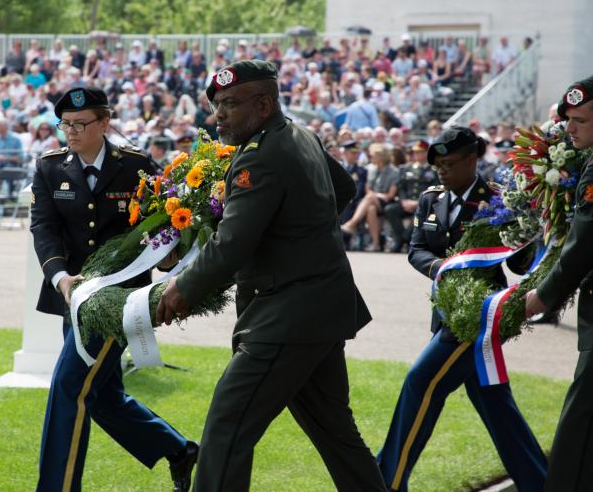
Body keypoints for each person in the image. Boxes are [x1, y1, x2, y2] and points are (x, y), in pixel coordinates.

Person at [156, 60, 387, 491]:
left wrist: (182, 287)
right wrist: (299, 235)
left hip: (286, 316)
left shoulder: (260, 158)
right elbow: (343, 190)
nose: (219, 114)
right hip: (319, 308)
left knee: (228, 426)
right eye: (216, 104)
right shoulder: (299, 134)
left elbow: (232, 244)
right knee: (336, 433)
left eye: (229, 103)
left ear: (263, 104)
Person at [30, 86, 197, 492]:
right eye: (64, 124)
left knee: (70, 387)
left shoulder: (136, 165)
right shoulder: (51, 167)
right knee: (101, 395)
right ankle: (179, 450)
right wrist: (59, 277)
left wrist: (171, 258)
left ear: (105, 123)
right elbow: (44, 228)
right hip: (72, 296)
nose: (70, 131)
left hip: (118, 301)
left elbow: (162, 222)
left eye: (80, 124)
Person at [377, 126, 547, 492]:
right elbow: (417, 250)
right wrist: (438, 267)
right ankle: (541, 481)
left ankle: (385, 481)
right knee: (493, 403)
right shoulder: (431, 199)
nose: (441, 171)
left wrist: (526, 233)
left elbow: (519, 267)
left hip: (479, 320)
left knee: (419, 383)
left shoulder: (500, 202)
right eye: (437, 165)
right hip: (446, 315)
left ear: (473, 159)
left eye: (450, 164)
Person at [524, 74, 593, 492]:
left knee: (581, 428)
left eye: (580, 120)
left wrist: (541, 297)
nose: (571, 128)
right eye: (568, 120)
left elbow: (585, 245)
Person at [341, 144, 400, 252]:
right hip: (373, 201)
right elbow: (367, 188)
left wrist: (375, 195)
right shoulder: (371, 169)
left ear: (380, 157)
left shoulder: (394, 171)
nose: (370, 158)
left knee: (370, 198)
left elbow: (391, 194)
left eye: (372, 156)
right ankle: (375, 243)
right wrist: (374, 195)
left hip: (387, 202)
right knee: (370, 209)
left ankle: (351, 224)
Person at [383, 140, 438, 253]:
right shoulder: (406, 168)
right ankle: (403, 239)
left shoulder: (433, 170)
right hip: (407, 203)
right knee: (390, 209)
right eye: (415, 152)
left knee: (421, 215)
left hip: (422, 204)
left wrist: (418, 202)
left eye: (420, 152)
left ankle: (403, 240)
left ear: (427, 153)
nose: (417, 154)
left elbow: (435, 188)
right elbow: (401, 187)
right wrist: (403, 201)